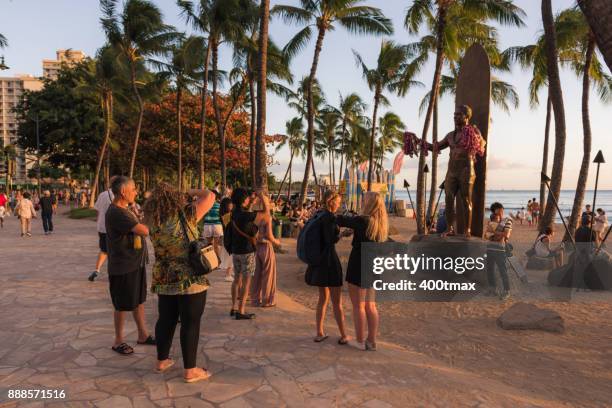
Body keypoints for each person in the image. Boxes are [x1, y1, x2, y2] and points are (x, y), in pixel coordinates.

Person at [144, 183, 215, 383]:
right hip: (189, 276)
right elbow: (209, 196)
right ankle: (190, 370)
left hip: (165, 275)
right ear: (176, 197)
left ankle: (161, 361)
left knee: (166, 319)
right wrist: (189, 192)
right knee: (190, 323)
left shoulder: (152, 220)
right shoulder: (187, 214)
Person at [405, 105, 485, 237]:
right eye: (454, 115)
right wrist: (419, 141)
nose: (455, 117)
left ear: (466, 117)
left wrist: (478, 136)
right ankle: (449, 228)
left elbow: (482, 146)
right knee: (448, 199)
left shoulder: (473, 132)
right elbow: (435, 147)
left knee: (466, 200)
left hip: (466, 170)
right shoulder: (450, 136)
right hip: (452, 171)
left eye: (458, 115)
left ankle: (467, 230)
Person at [105, 176, 154, 355]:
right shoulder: (117, 212)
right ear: (123, 192)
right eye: (133, 189)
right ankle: (118, 341)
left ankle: (142, 334)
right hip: (123, 265)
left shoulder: (125, 209)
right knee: (122, 304)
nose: (136, 192)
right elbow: (144, 230)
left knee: (137, 300)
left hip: (134, 262)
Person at [336, 192, 388, 351]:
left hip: (359, 263)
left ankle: (359, 340)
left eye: (364, 200)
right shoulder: (380, 223)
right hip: (373, 265)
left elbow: (340, 219)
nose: (362, 201)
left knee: (358, 305)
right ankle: (371, 341)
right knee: (370, 306)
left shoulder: (362, 220)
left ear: (369, 204)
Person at [305, 191, 349, 345]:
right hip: (329, 261)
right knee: (337, 302)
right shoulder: (330, 217)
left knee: (323, 299)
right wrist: (341, 234)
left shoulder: (318, 215)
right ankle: (344, 335)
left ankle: (319, 332)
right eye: (338, 201)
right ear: (332, 202)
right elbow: (331, 240)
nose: (339, 204)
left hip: (318, 262)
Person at [228, 188, 269, 320]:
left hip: (235, 251)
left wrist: (251, 202)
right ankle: (242, 310)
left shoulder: (232, 214)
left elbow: (247, 213)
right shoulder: (246, 216)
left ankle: (233, 308)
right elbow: (266, 215)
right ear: (243, 200)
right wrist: (263, 198)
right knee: (246, 281)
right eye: (246, 198)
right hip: (247, 251)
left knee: (236, 280)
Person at [250, 195, 281, 308]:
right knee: (268, 274)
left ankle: (254, 299)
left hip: (255, 247)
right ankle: (267, 300)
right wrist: (277, 242)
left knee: (256, 274)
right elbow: (269, 236)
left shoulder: (253, 216)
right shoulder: (267, 216)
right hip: (266, 246)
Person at [89, 177, 116, 281]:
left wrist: (99, 222)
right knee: (115, 250)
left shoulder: (102, 194)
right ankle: (114, 272)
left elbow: (98, 211)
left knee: (104, 250)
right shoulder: (119, 195)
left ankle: (97, 270)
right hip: (113, 228)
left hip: (102, 227)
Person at [486, 202, 512, 300]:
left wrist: (493, 233)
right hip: (489, 248)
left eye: (500, 211)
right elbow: (486, 235)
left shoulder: (507, 221)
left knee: (503, 271)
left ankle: (506, 290)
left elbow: (506, 235)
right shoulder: (492, 222)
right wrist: (495, 234)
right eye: (496, 212)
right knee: (490, 270)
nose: (499, 213)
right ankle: (493, 289)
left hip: (500, 250)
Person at [202, 190, 224, 269]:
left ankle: (209, 263)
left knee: (209, 245)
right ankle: (217, 263)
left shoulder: (205, 205)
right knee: (216, 245)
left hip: (207, 225)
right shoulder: (219, 205)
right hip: (217, 225)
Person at [219, 197, 235, 282]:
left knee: (230, 256)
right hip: (230, 238)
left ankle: (229, 273)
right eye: (231, 204)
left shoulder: (224, 215)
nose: (232, 205)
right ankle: (228, 275)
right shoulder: (227, 216)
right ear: (227, 205)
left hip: (227, 237)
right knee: (230, 257)